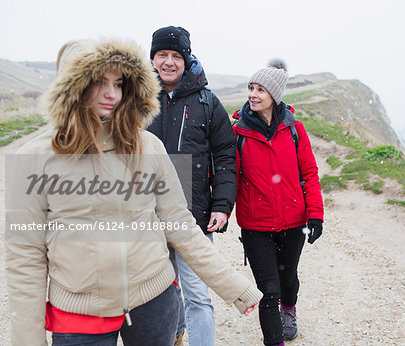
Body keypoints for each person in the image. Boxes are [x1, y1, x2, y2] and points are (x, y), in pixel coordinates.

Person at [5, 38, 262, 346]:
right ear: (71, 85)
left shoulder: (148, 146)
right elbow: (25, 257)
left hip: (154, 303)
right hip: (80, 315)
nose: (112, 94)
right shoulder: (34, 157)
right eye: (98, 82)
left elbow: (180, 225)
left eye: (119, 82)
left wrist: (234, 285)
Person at [147, 26, 236, 346]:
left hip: (194, 218)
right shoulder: (136, 101)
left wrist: (223, 206)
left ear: (186, 59)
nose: (169, 62)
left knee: (198, 295)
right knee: (161, 294)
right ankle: (175, 335)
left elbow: (226, 155)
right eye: (162, 55)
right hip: (148, 219)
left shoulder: (207, 102)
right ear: (152, 58)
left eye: (176, 55)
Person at [233, 59, 324, 346]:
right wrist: (219, 210)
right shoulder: (238, 134)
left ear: (275, 95)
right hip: (255, 225)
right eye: (251, 88)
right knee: (267, 291)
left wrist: (316, 214)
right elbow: (228, 177)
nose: (253, 94)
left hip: (293, 222)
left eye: (260, 89)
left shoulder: (295, 130)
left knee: (288, 281)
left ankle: (290, 310)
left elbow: (309, 174)